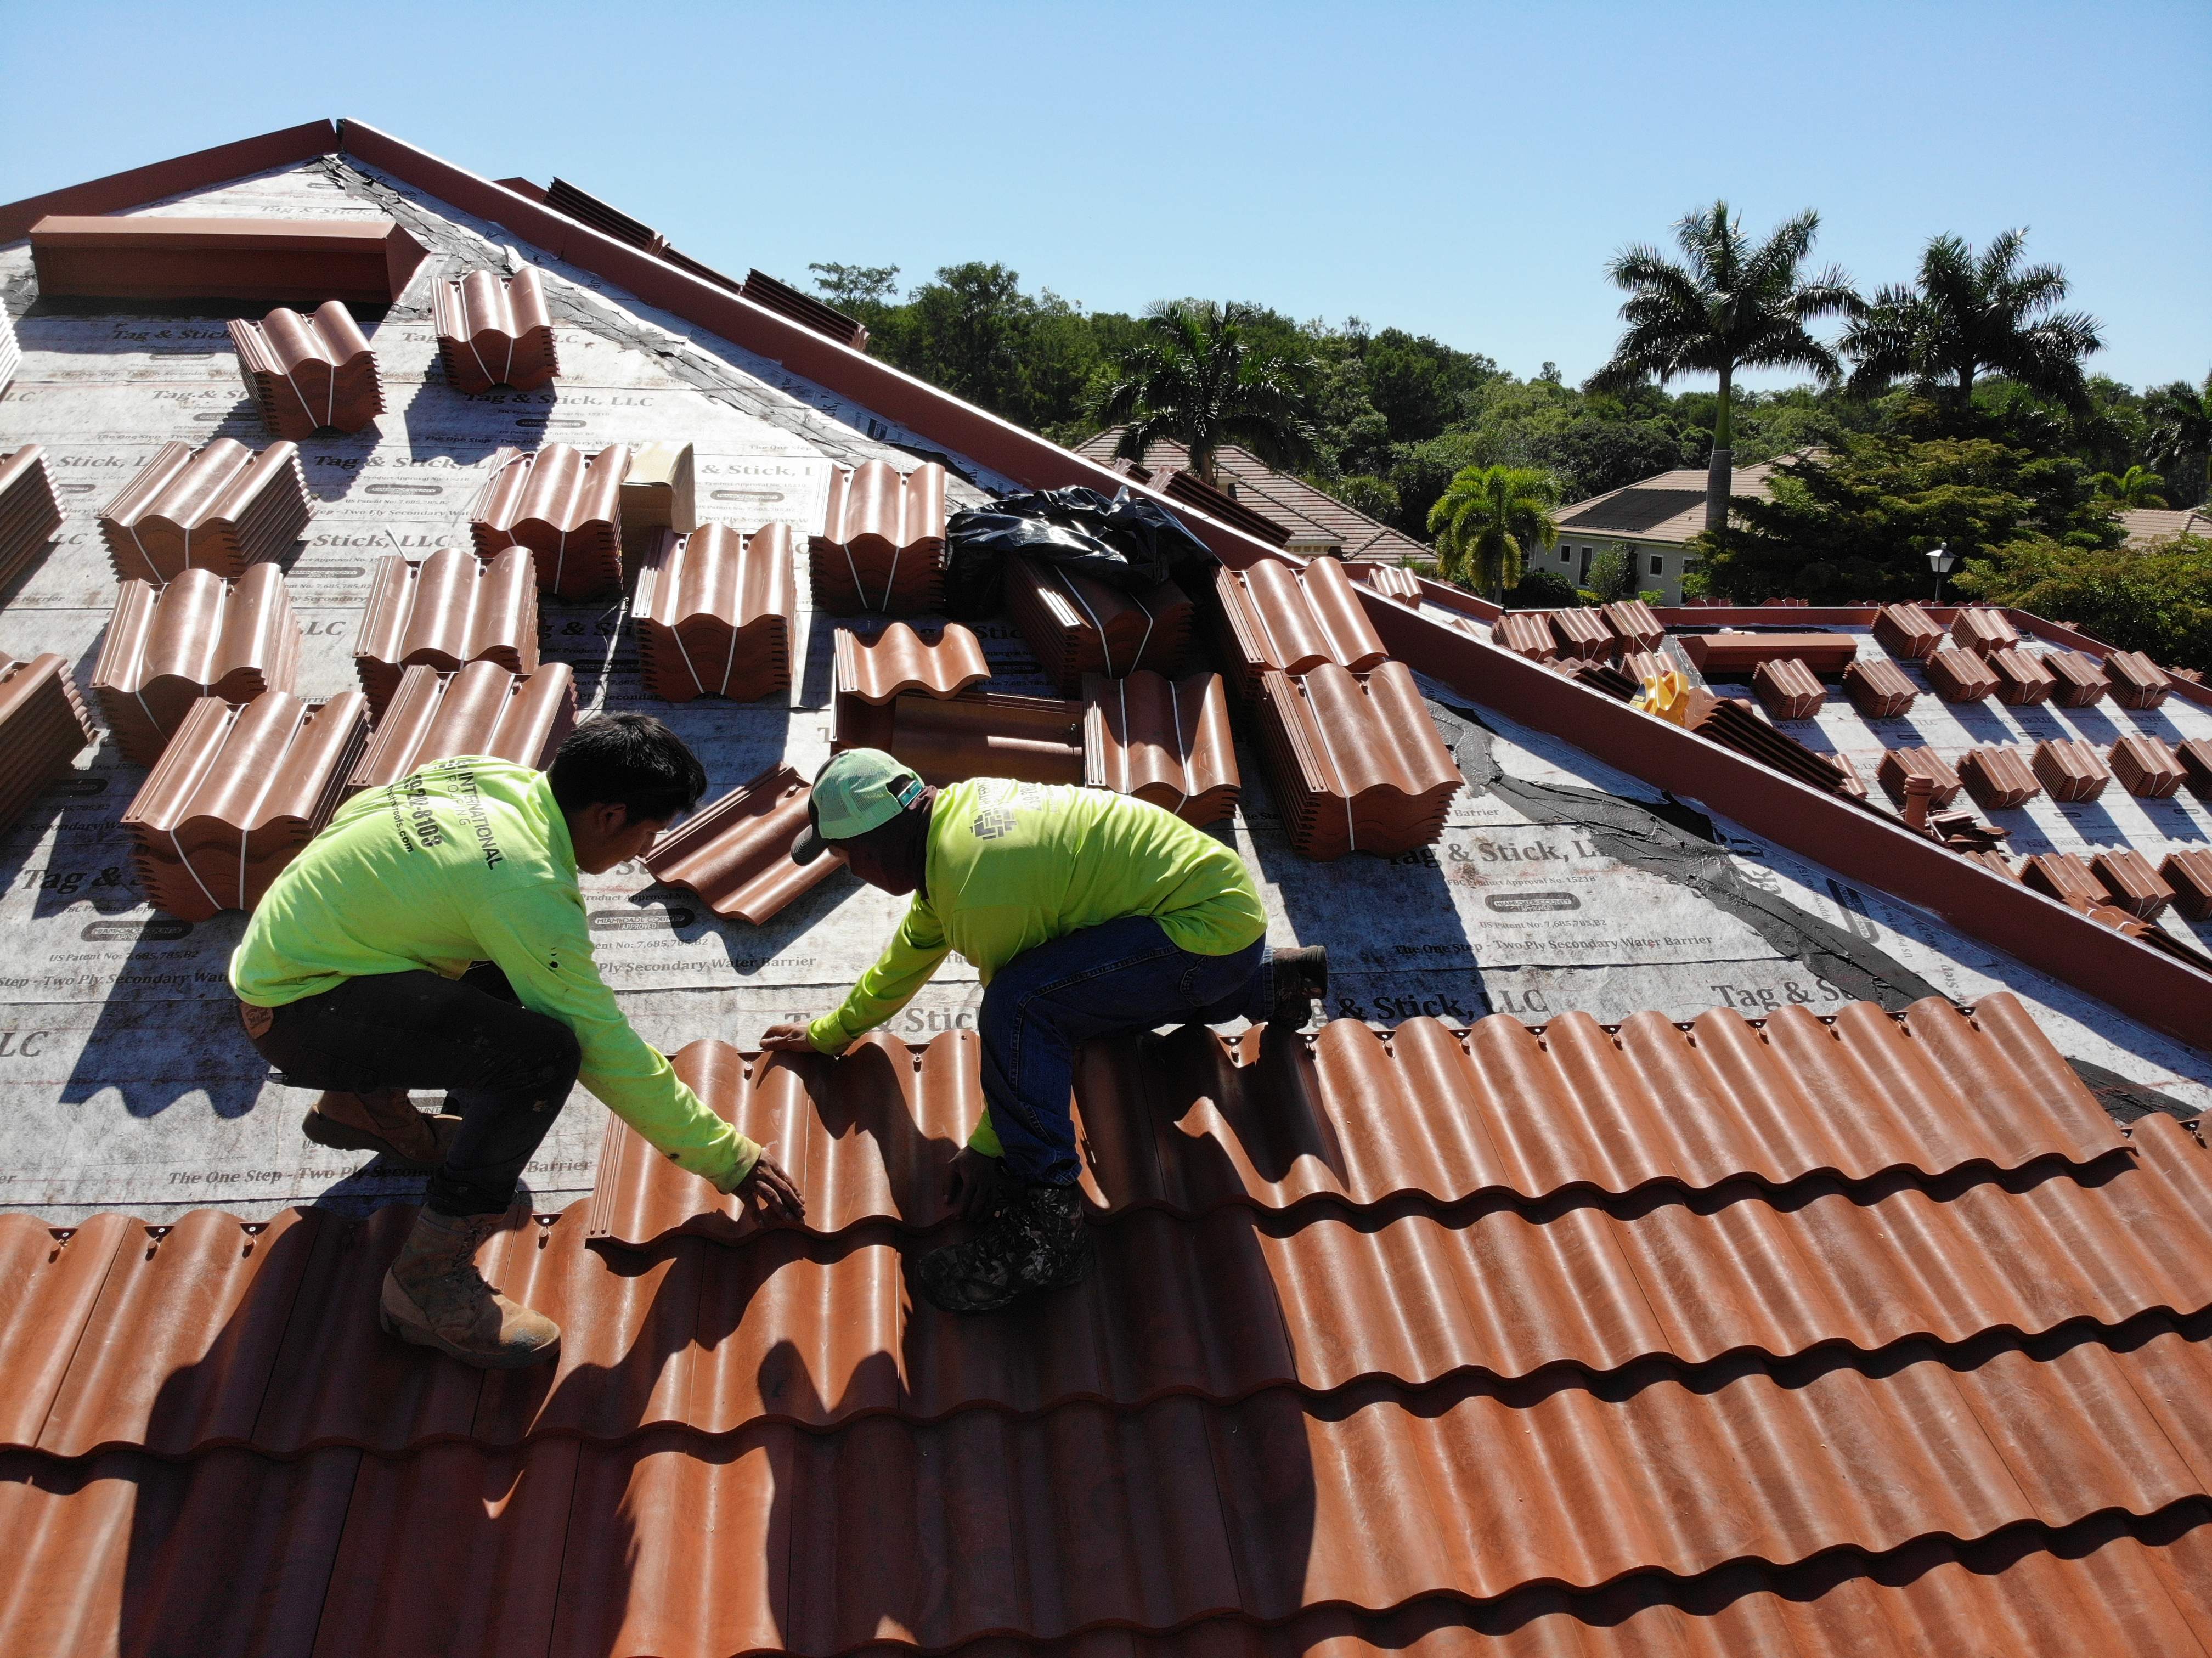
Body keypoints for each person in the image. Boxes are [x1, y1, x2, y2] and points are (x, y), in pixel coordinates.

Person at [230, 713, 803, 1369]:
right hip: (297, 1011)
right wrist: (727, 1158)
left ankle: (364, 1108)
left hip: (295, 960)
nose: (645, 851)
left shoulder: (493, 778)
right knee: (542, 1056)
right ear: (608, 815)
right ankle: (426, 1279)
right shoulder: (525, 888)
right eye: (647, 832)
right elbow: (601, 1045)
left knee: (494, 965)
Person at [761, 748, 1324, 1313]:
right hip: (1218, 918)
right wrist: (832, 1032)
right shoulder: (952, 828)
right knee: (1071, 995)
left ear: (875, 846)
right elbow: (909, 954)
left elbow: (1021, 1027)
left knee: (1025, 1005)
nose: (852, 872)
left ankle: (1049, 1234)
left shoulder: (978, 882)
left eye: (846, 857)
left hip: (1203, 936)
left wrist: (990, 1145)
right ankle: (1269, 984)